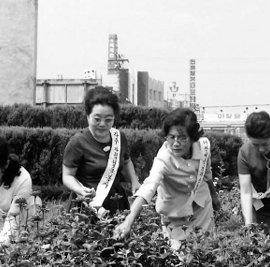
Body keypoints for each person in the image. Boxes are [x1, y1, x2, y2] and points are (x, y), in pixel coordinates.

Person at [114, 108, 220, 249]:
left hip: (202, 209)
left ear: (193, 137)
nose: (176, 143)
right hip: (175, 216)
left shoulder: (204, 145)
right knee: (179, 260)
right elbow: (149, 187)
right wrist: (129, 220)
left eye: (182, 137)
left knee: (207, 252)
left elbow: (206, 173)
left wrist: (214, 196)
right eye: (171, 137)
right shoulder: (164, 159)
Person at [62, 87, 140, 216]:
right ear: (88, 116)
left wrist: (134, 181)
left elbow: (126, 161)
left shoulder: (119, 137)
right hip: (87, 205)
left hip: (116, 203)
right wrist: (80, 190)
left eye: (108, 119)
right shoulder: (77, 142)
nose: (102, 124)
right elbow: (67, 176)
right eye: (97, 119)